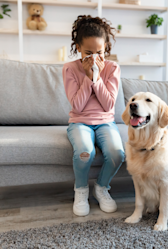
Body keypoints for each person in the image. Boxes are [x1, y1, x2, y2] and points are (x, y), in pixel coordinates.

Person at [62, 15, 125, 217]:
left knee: (117, 153)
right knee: (84, 152)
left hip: (105, 122)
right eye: (88, 53)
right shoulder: (70, 69)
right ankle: (80, 191)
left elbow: (108, 105)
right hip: (79, 122)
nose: (94, 58)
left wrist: (96, 78)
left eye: (99, 52)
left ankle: (101, 187)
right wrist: (88, 79)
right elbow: (78, 107)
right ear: (78, 48)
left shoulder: (112, 68)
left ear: (106, 48)